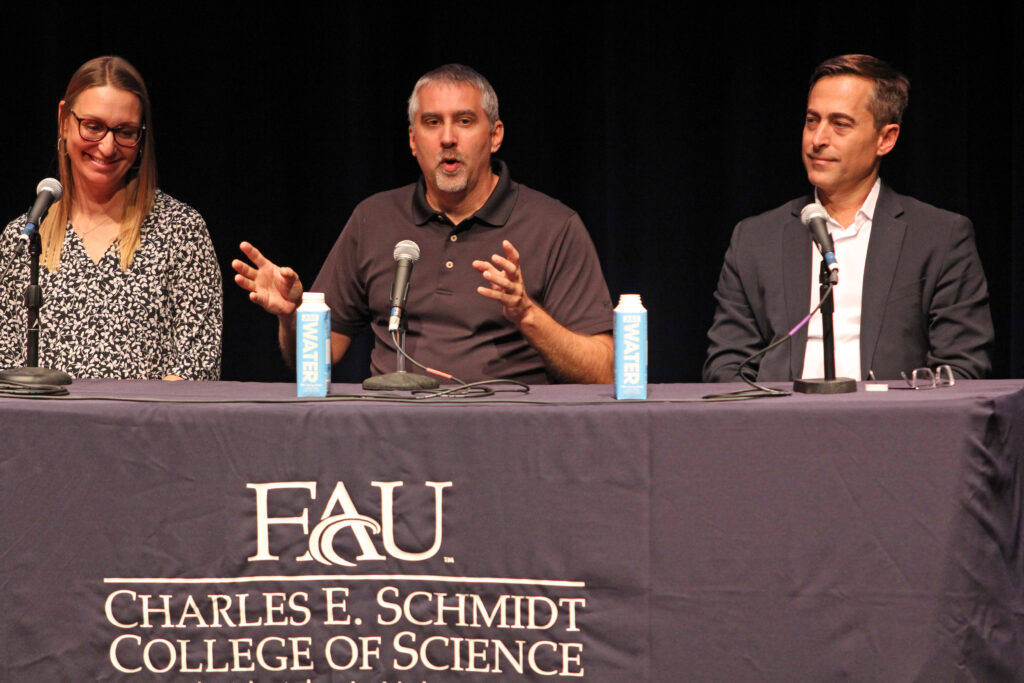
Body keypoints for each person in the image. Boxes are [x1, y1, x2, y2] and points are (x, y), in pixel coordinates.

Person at [233, 64, 613, 384]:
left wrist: (528, 315)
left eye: (464, 121)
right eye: (432, 123)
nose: (448, 138)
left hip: (508, 438)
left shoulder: (553, 226)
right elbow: (319, 358)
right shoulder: (374, 219)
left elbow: (605, 370)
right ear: (414, 140)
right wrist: (292, 316)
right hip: (391, 439)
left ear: (495, 136)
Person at [703, 54, 993, 382]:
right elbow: (727, 366)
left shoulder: (940, 237)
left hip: (891, 426)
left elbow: (961, 367)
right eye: (812, 120)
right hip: (778, 425)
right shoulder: (755, 239)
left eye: (840, 124)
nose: (817, 139)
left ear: (886, 138)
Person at [0, 56, 222, 380]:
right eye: (93, 126)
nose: (106, 147)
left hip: (147, 430)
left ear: (141, 136)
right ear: (64, 120)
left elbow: (195, 373)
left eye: (125, 131)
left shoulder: (181, 232)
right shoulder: (22, 240)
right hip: (47, 430)